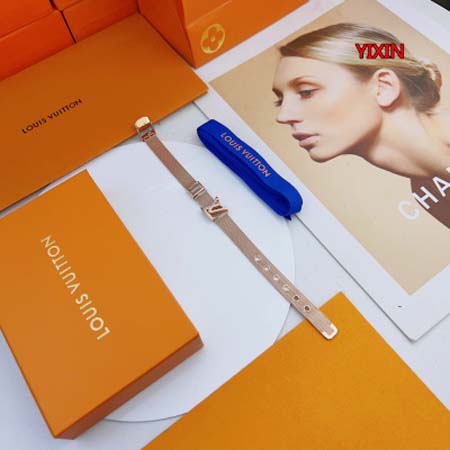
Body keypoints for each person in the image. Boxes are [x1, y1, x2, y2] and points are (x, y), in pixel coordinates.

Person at [272, 22, 450, 228]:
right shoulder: (426, 193)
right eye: (280, 101)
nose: (283, 116)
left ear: (383, 87)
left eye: (306, 92)